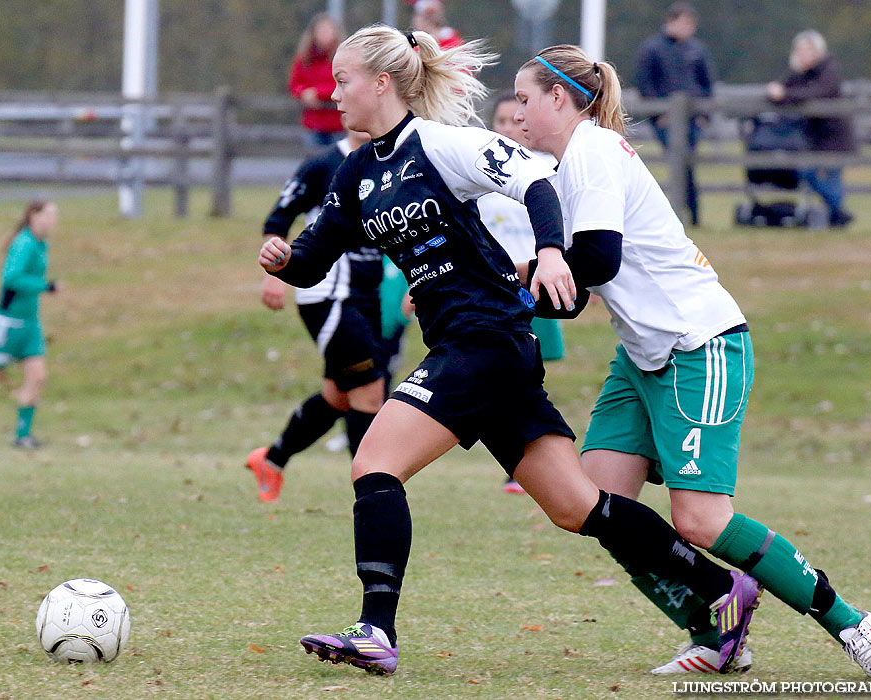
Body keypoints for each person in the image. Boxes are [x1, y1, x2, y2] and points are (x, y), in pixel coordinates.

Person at [260, 24, 763, 677]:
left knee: (375, 463)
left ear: (382, 82)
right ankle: (723, 589)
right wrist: (283, 260)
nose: (334, 95)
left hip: (486, 339)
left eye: (343, 81)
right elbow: (312, 256)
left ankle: (375, 631)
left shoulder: (443, 147)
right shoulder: (357, 173)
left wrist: (552, 252)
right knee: (576, 507)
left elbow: (534, 179)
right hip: (474, 348)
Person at [513, 44, 871, 681]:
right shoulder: (567, 167)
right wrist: (501, 294)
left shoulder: (594, 152)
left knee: (700, 520)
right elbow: (575, 293)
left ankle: (853, 622)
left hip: (702, 346)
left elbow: (598, 261)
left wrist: (521, 278)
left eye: (525, 100)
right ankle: (716, 631)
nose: (518, 115)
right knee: (595, 503)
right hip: (643, 358)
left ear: (559, 98)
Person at [246, 129, 387, 503]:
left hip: (368, 294)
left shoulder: (391, 156)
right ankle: (373, 496)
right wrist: (273, 272)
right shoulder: (322, 164)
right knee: (370, 391)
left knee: (339, 396)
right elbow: (278, 218)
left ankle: (271, 461)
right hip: (329, 294)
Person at [477, 91, 566, 495]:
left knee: (530, 370)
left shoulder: (545, 171)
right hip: (490, 289)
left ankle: (533, 464)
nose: (509, 128)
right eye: (500, 121)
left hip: (532, 284)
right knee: (497, 370)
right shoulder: (479, 170)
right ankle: (522, 459)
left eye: (516, 120)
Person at [0, 200, 62, 449]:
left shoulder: (41, 244)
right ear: (32, 216)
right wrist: (46, 287)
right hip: (9, 323)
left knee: (37, 376)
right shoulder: (24, 243)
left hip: (30, 323)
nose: (51, 220)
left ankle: (22, 435)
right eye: (47, 215)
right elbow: (11, 277)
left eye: (54, 216)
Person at [635, 2, 714, 227]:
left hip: (692, 119)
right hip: (665, 120)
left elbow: (707, 84)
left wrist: (704, 114)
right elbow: (645, 83)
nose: (689, 28)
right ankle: (687, 213)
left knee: (686, 164)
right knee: (680, 164)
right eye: (685, 22)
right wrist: (659, 113)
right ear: (672, 21)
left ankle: (690, 214)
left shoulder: (697, 50)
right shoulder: (652, 49)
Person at [767, 30, 855, 227]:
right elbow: (778, 91)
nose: (803, 55)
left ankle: (837, 215)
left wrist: (785, 93)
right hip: (813, 137)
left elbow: (818, 92)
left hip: (834, 137)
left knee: (828, 176)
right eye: (799, 51)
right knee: (809, 173)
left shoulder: (830, 69)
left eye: (807, 50)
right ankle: (838, 214)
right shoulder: (799, 72)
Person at [289, 13, 346, 146]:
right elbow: (294, 84)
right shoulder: (304, 58)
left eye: (328, 30)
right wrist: (303, 93)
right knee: (314, 163)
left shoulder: (343, 57)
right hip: (313, 124)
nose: (324, 34)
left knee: (338, 164)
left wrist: (317, 93)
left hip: (338, 125)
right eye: (321, 30)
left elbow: (345, 84)